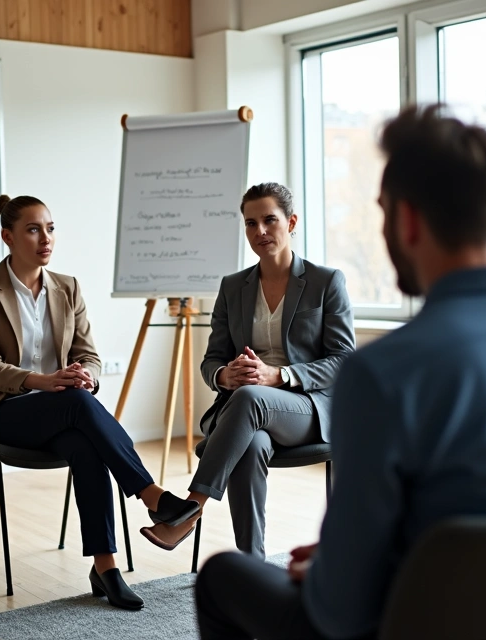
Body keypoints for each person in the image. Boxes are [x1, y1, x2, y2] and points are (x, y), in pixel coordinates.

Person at [194, 105, 486, 640]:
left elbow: (342, 608)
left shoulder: (385, 376)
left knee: (221, 578)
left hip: (429, 621)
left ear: (405, 220)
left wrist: (339, 568)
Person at [0, 194, 200, 610]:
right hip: (4, 413)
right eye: (33, 229)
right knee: (75, 404)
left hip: (63, 412)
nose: (45, 238)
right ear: (8, 237)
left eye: (50, 228)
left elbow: (89, 354)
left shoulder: (67, 287)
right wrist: (47, 381)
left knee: (85, 443)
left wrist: (84, 375)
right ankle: (152, 497)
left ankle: (104, 567)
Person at [141, 182, 354, 556]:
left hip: (307, 409)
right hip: (247, 412)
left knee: (252, 397)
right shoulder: (232, 286)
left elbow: (341, 361)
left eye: (270, 220)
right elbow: (212, 360)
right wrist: (225, 376)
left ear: (291, 222)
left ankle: (189, 513)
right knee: (250, 443)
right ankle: (251, 565)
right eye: (251, 223)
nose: (260, 232)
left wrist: (278, 375)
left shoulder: (326, 282)